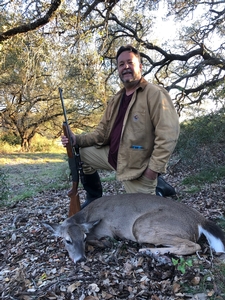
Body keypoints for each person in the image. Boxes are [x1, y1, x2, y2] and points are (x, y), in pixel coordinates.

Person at [61, 45, 180, 208]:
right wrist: (76, 139)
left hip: (136, 168)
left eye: (130, 62)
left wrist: (153, 170)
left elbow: (168, 134)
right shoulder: (116, 99)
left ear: (140, 66)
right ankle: (94, 197)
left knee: (140, 217)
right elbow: (101, 134)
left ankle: (157, 188)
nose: (126, 67)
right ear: (118, 69)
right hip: (113, 157)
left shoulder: (155, 94)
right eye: (121, 64)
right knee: (82, 154)